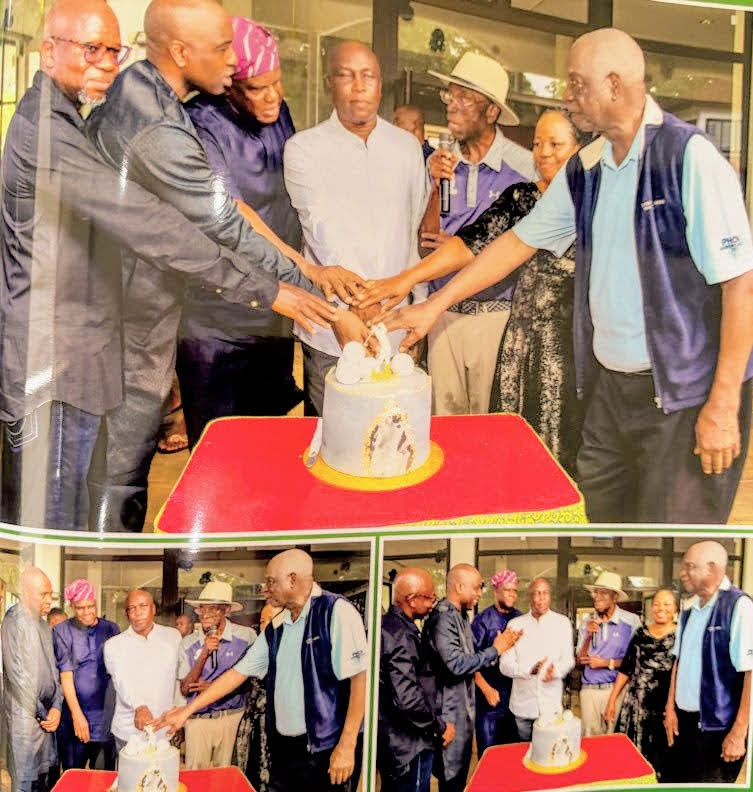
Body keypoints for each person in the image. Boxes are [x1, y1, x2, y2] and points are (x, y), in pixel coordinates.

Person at [382, 28, 753, 524]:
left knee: (669, 541)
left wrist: (723, 404)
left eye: (577, 84)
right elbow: (516, 242)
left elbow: (740, 286)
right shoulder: (587, 167)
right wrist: (433, 306)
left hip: (683, 397)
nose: (567, 96)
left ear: (614, 85)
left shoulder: (688, 157)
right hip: (610, 392)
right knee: (595, 525)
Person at [0, 0, 336, 533]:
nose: (107, 64)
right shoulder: (55, 131)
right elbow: (165, 226)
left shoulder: (114, 97)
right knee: (55, 535)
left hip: (91, 356)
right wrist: (280, 289)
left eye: (114, 50)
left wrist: (302, 278)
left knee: (92, 519)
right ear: (47, 51)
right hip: (57, 370)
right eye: (91, 49)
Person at [360, 110, 582, 473]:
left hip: (571, 346)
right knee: (502, 447)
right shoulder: (522, 197)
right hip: (521, 342)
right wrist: (408, 279)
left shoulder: (593, 203)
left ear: (580, 150)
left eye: (555, 144)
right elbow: (472, 243)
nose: (544, 152)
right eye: (538, 143)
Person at [178, 17, 307, 448]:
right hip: (218, 326)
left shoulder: (279, 112)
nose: (273, 96)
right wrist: (301, 266)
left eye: (277, 82)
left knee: (269, 446)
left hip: (273, 314)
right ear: (230, 86)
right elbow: (234, 212)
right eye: (257, 88)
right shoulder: (199, 122)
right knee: (219, 451)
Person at [283, 40, 430, 416]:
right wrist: (360, 305)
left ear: (380, 85)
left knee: (395, 433)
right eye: (347, 76)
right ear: (329, 83)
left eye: (369, 76)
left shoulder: (407, 148)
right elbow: (321, 231)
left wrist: (417, 305)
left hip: (397, 323)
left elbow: (411, 232)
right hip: (333, 326)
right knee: (333, 432)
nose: (359, 86)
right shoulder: (303, 149)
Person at [155, 549, 368, 792]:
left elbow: (360, 680)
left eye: (271, 582)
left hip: (326, 749)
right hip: (285, 750)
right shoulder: (276, 627)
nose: (265, 589)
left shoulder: (335, 611)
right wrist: (187, 710)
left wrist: (347, 744)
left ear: (292, 579)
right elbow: (237, 674)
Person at [423, 52, 535, 416]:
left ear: (491, 112)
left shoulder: (525, 168)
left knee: (490, 425)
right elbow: (424, 243)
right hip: (442, 316)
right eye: (449, 95)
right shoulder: (437, 161)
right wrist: (433, 185)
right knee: (444, 426)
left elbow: (527, 248)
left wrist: (463, 250)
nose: (451, 106)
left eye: (464, 98)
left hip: (496, 318)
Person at [422, 564, 520, 792]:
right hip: (449, 715)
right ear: (459, 587)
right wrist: (496, 649)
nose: (478, 593)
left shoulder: (460, 616)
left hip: (463, 713)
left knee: (460, 776)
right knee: (451, 779)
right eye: (475, 588)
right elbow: (457, 664)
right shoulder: (443, 619)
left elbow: (471, 658)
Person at [665, 540, 752, 783]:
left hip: (718, 728)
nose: (682, 573)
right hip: (683, 724)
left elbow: (750, 673)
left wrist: (739, 732)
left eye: (690, 566)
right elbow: (677, 663)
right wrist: (670, 709)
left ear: (712, 569)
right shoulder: (689, 610)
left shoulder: (739, 606)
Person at [378, 568, 454, 792]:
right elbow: (408, 700)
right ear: (412, 600)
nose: (433, 604)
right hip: (409, 746)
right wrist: (440, 727)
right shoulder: (401, 636)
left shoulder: (390, 626)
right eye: (430, 597)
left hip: (396, 742)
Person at [179, 581, 255, 769]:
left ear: (226, 611)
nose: (205, 615)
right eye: (201, 609)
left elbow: (253, 683)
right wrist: (204, 653)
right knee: (196, 778)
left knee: (229, 776)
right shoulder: (188, 643)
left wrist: (216, 689)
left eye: (212, 609)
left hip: (233, 717)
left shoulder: (246, 637)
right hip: (198, 721)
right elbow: (186, 689)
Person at [603, 588, 677, 781]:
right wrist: (612, 701)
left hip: (665, 708)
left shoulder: (681, 636)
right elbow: (626, 669)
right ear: (651, 608)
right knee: (631, 761)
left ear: (675, 609)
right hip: (636, 706)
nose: (661, 608)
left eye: (667, 604)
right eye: (657, 604)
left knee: (662, 760)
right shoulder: (640, 633)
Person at [1, 567, 61, 792]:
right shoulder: (14, 622)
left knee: (45, 781)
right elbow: (18, 678)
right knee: (25, 784)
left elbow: (54, 672)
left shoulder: (44, 626)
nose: (49, 600)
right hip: (26, 723)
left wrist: (56, 707)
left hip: (46, 721)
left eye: (51, 594)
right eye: (43, 594)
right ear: (25, 593)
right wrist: (45, 714)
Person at [52, 579, 120, 772]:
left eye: (90, 606)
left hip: (105, 717)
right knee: (74, 774)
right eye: (80, 608)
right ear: (72, 607)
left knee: (104, 776)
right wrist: (77, 715)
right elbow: (66, 676)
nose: (87, 612)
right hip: (74, 717)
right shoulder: (62, 631)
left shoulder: (111, 629)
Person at [103, 589, 181, 749]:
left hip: (165, 728)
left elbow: (179, 677)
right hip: (129, 730)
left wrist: (180, 713)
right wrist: (139, 706)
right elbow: (121, 680)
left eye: (143, 606)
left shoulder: (173, 637)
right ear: (127, 614)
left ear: (153, 609)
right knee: (130, 766)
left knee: (164, 765)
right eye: (132, 608)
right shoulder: (114, 645)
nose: (138, 613)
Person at [499, 577, 574, 740]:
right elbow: (504, 665)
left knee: (550, 751)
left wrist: (555, 671)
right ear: (529, 596)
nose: (541, 598)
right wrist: (529, 671)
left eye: (545, 593)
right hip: (523, 708)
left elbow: (569, 660)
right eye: (537, 593)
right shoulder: (515, 625)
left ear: (550, 596)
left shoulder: (562, 623)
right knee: (524, 752)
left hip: (551, 708)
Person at [576, 571, 641, 736]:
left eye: (603, 593)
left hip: (616, 691)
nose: (596, 597)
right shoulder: (587, 622)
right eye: (595, 592)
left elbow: (636, 661)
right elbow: (579, 660)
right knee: (590, 743)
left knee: (614, 741)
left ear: (615, 597)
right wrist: (588, 635)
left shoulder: (631, 621)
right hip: (589, 691)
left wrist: (606, 663)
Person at [471, 569, 521, 754]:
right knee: (489, 754)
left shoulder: (520, 618)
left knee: (512, 754)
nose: (512, 594)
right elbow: (469, 663)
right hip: (489, 702)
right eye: (507, 590)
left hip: (515, 701)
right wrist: (487, 690)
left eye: (515, 590)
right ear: (496, 591)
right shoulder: (482, 621)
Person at [233, 602, 281, 792]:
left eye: (272, 620)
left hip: (279, 728)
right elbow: (237, 680)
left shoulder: (295, 649)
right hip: (254, 725)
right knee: (250, 776)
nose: (266, 625)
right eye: (262, 621)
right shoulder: (253, 649)